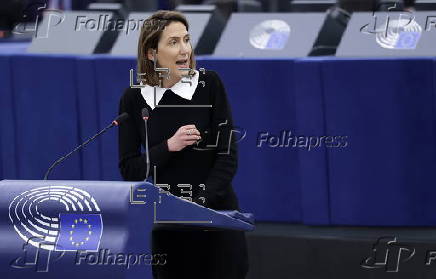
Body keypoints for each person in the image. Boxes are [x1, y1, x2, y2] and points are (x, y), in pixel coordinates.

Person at [118, 10, 248, 279]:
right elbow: (130, 169)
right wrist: (169, 146)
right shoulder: (133, 99)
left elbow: (228, 156)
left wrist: (199, 201)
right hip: (169, 225)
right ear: (152, 53)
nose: (184, 49)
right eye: (173, 42)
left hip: (216, 215)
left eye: (186, 40)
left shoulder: (209, 84)